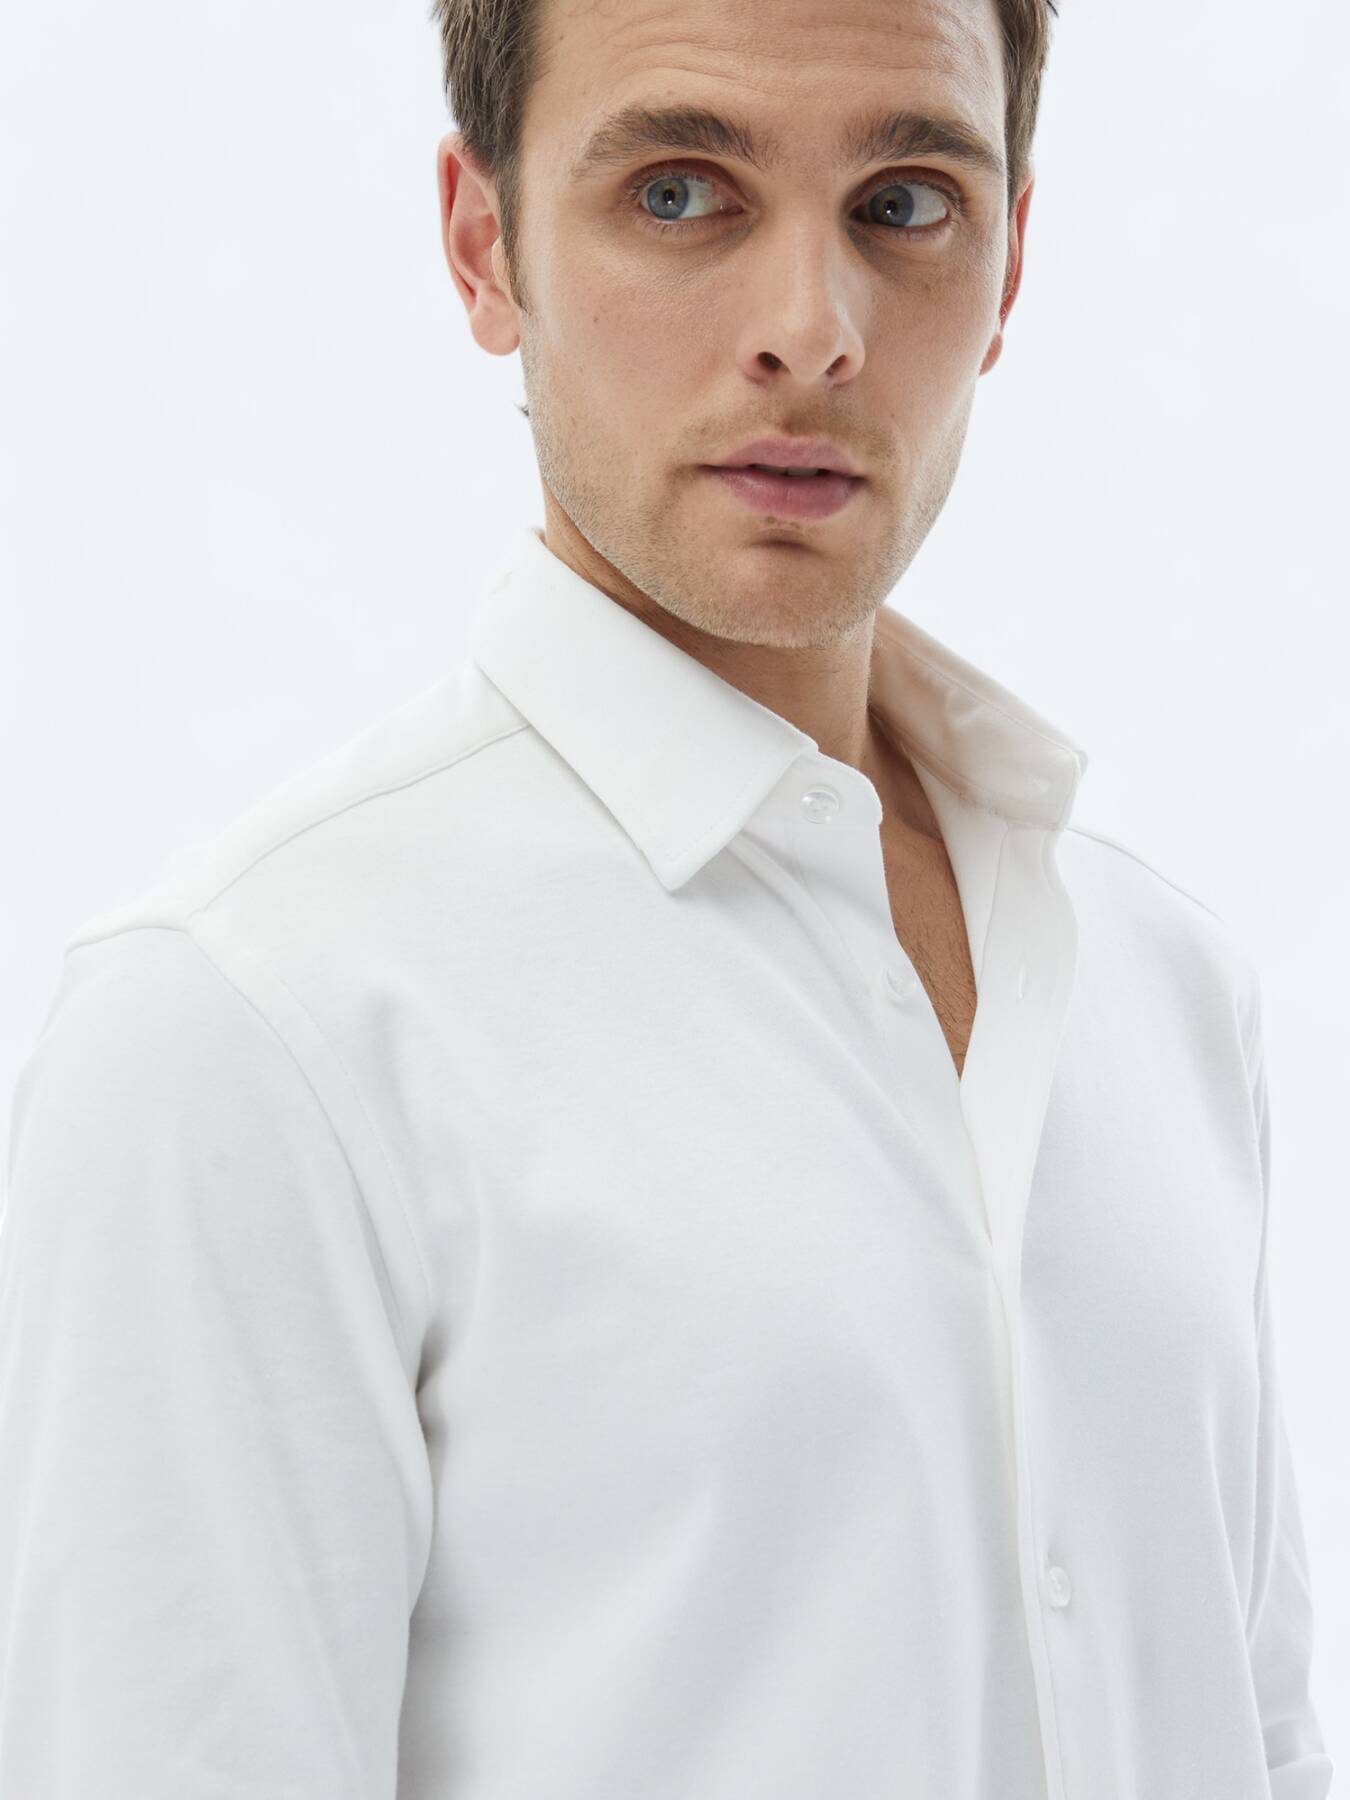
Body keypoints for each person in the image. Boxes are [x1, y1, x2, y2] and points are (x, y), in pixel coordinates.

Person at [0, 0, 1334, 1794]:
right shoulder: (248, 1025)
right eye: (682, 192)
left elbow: (1257, 1733)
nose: (812, 329)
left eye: (904, 204)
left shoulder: (1152, 977)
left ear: (1010, 261)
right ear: (485, 245)